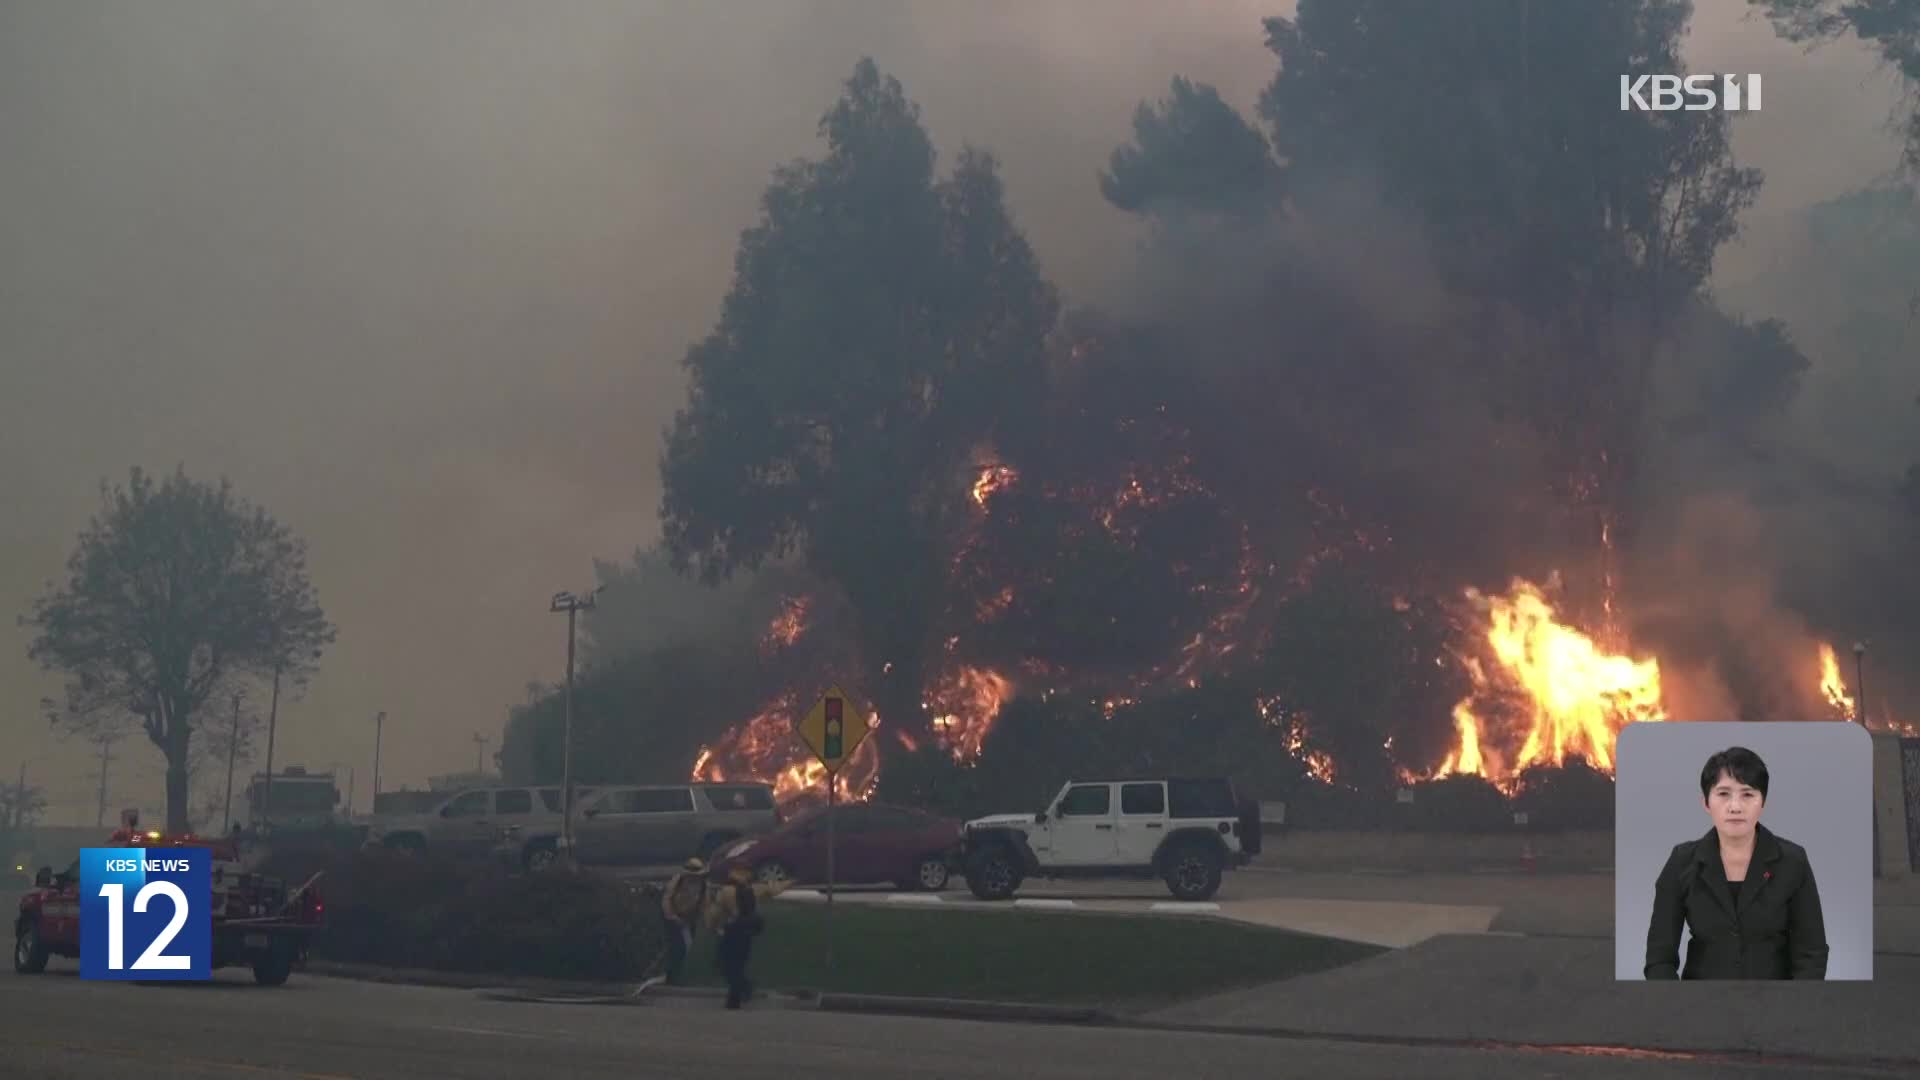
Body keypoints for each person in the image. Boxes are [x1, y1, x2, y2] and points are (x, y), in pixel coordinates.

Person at [1644, 746, 1828, 980]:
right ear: (1706, 803)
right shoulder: (1681, 862)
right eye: (1723, 794)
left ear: (1763, 802)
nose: (1735, 806)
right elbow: (1659, 958)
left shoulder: (1792, 861)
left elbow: (1812, 953)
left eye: (1748, 794)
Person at [705, 862, 791, 1008]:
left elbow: (715, 913)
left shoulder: (726, 891)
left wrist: (712, 927)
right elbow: (773, 890)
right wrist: (791, 882)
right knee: (738, 966)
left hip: (731, 932)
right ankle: (734, 1000)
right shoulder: (754, 889)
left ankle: (745, 989)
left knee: (725, 966)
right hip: (748, 934)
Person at [659, 857, 711, 986]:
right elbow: (667, 899)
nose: (693, 878)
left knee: (689, 947)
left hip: (689, 919)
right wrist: (672, 916)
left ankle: (683, 975)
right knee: (677, 948)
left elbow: (705, 904)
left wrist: (706, 920)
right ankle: (671, 977)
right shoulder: (678, 881)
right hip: (673, 918)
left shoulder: (703, 885)